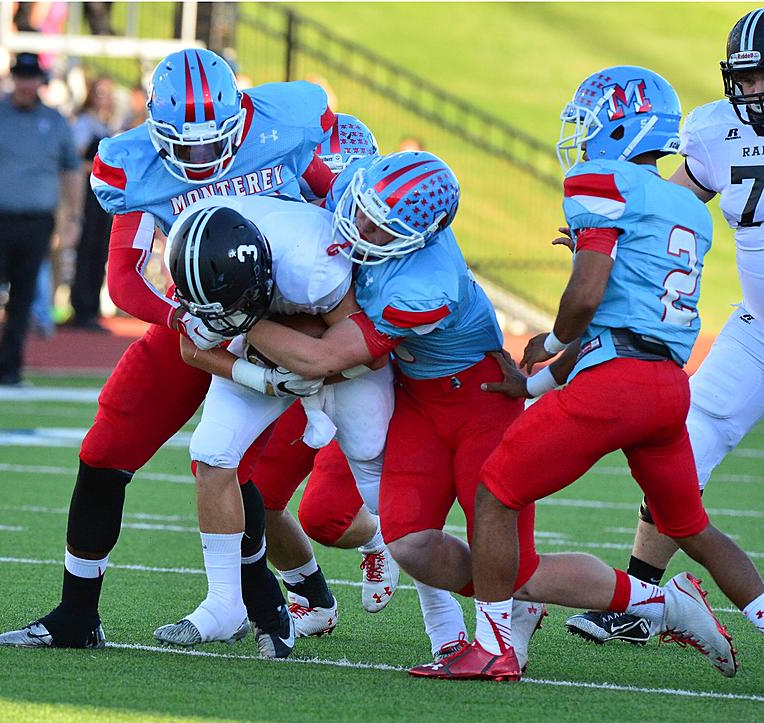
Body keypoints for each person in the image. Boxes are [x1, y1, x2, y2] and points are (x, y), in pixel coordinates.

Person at [0, 48, 338, 650]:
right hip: (194, 316)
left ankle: (265, 608)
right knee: (105, 451)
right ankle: (78, 614)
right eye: (185, 145)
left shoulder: (287, 123)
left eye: (215, 143)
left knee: (236, 466)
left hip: (280, 318)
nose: (201, 159)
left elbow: (336, 208)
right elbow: (124, 280)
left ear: (241, 116)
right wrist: (181, 318)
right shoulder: (132, 162)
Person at [428, 66, 760, 682]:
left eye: (592, 119)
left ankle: (497, 644)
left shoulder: (599, 181)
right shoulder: (687, 210)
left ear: (623, 125)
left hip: (617, 387)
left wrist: (546, 341)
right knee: (690, 525)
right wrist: (532, 386)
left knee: (495, 492)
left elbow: (586, 304)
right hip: (666, 386)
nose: (582, 132)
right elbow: (622, 321)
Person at [243, 151, 545, 669]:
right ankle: (506, 602)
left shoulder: (423, 285)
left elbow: (325, 357)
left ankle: (645, 601)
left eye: (380, 228)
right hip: (414, 397)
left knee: (507, 551)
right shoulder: (352, 189)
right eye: (363, 209)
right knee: (406, 537)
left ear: (416, 239)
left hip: (476, 396)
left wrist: (238, 318)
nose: (360, 226)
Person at [567, 8, 764, 646]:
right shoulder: (713, 130)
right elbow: (671, 206)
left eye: (762, 76)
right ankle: (639, 598)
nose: (751, 91)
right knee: (684, 449)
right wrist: (609, 237)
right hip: (757, 330)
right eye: (744, 78)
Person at [154, 195, 395, 657]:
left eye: (232, 306)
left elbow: (369, 350)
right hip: (266, 350)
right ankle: (224, 604)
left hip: (340, 355)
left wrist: (314, 372)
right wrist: (263, 379)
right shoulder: (193, 252)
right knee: (212, 452)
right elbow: (192, 347)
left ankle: (444, 619)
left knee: (373, 468)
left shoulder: (314, 267)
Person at [0, 53, 80, 386]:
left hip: (36, 220)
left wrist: (73, 217)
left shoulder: (56, 121)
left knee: (23, 298)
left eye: (31, 76)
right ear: (13, 79)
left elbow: (71, 171)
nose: (26, 83)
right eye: (21, 76)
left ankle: (8, 368)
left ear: (40, 80)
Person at [66, 76, 119, 331]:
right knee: (87, 250)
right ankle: (82, 306)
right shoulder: (86, 124)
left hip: (101, 198)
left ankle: (91, 307)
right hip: (88, 195)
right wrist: (100, 170)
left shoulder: (103, 124)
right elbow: (74, 161)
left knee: (99, 251)